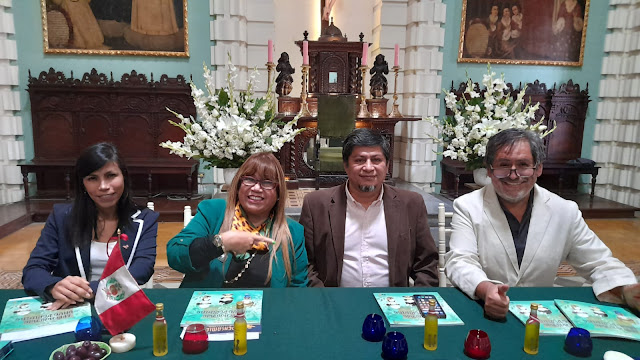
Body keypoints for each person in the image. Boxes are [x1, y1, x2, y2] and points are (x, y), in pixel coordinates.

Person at [445, 128, 640, 319]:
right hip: (483, 311)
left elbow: (598, 262)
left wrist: (626, 288)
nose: (514, 175)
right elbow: (460, 260)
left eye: (523, 165)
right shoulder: (468, 206)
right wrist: (485, 288)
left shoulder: (564, 211)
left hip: (540, 315)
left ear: (538, 168)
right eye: (504, 165)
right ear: (489, 170)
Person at [22, 143, 158, 310]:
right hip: (72, 307)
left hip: (121, 308)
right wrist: (54, 286)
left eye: (111, 175)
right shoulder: (61, 217)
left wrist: (88, 291)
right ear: (83, 184)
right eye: (93, 178)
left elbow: (140, 271)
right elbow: (33, 269)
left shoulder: (146, 219)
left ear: (124, 177)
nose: (103, 186)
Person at [299, 128, 438, 287]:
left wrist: (416, 300)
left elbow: (426, 263)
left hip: (392, 304)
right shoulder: (316, 204)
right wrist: (324, 299)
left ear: (387, 166)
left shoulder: (411, 204)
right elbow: (305, 264)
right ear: (346, 165)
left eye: (376, 160)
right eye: (359, 160)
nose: (368, 167)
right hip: (335, 301)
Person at [167, 152, 309, 288]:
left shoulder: (292, 232)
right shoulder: (214, 212)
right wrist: (220, 243)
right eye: (249, 179)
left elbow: (298, 289)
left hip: (268, 310)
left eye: (267, 182)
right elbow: (175, 255)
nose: (256, 188)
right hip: (209, 309)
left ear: (278, 193)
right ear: (238, 185)